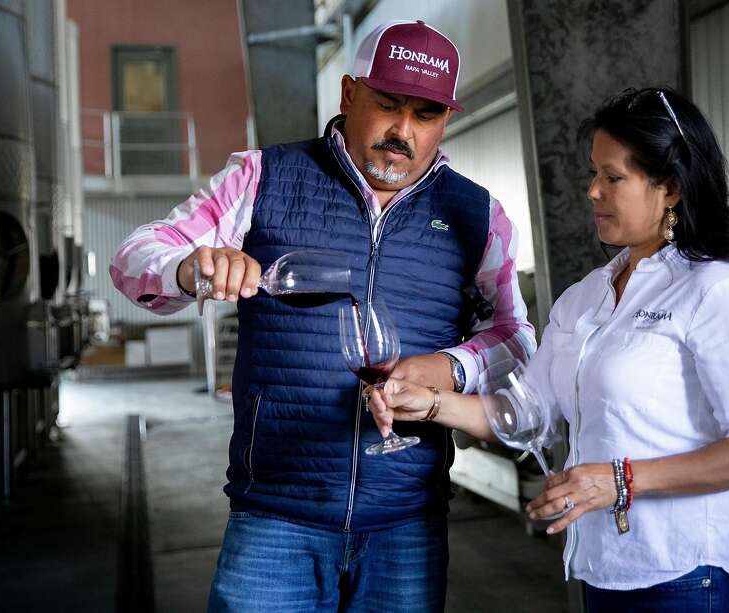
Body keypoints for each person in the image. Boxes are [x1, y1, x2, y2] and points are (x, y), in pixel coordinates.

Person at [110, 20, 535, 612]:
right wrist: (191, 267)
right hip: (275, 518)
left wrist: (448, 368)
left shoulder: (476, 214)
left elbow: (515, 337)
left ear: (445, 120)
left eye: (425, 115)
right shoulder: (263, 178)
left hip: (406, 523)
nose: (403, 131)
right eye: (387, 105)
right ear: (348, 94)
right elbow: (134, 257)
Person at [368, 87, 729, 613]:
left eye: (613, 177)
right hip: (607, 568)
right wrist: (431, 405)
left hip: (697, 570)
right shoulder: (587, 296)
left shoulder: (716, 292)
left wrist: (618, 480)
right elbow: (527, 411)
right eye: (593, 174)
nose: (593, 192)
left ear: (671, 188)